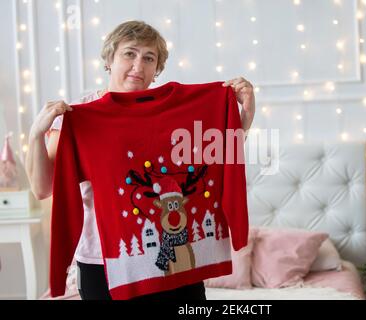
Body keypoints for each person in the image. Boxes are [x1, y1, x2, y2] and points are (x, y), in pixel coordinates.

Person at [25, 20, 256, 300]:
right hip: (105, 263)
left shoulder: (181, 112)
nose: (139, 65)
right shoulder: (78, 117)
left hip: (176, 263)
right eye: (129, 53)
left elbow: (218, 157)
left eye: (149, 58)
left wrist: (243, 116)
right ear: (110, 59)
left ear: (157, 69)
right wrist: (37, 133)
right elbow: (42, 189)